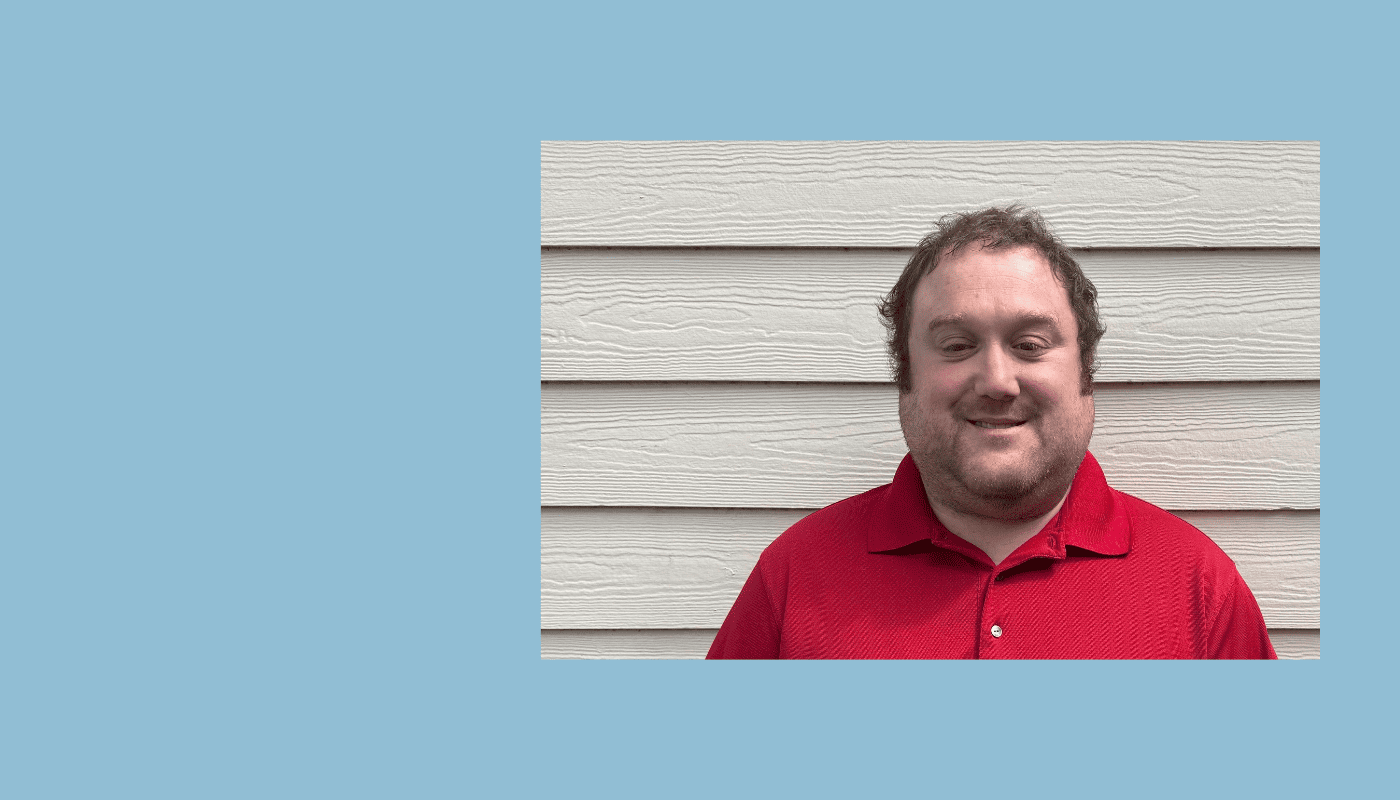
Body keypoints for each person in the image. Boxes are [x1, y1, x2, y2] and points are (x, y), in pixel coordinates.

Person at [707, 206, 1276, 659]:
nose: (998, 381)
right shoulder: (794, 577)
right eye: (957, 346)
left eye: (1030, 345)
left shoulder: (1197, 587)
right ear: (906, 381)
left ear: (1086, 376)